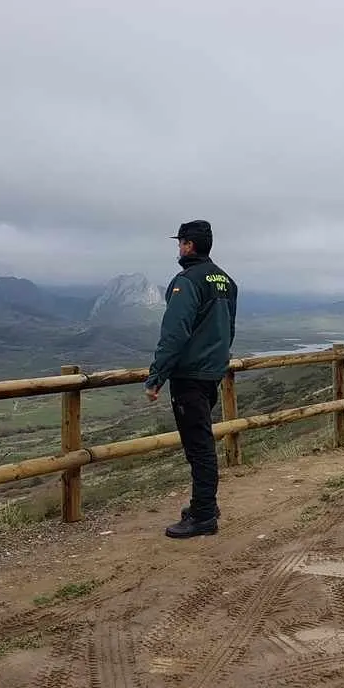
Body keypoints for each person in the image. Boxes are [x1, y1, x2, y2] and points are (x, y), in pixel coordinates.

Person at [143, 219, 238, 539]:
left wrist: (156, 376)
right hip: (211, 373)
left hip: (190, 375)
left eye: (180, 242)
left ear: (188, 245)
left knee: (198, 446)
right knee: (202, 441)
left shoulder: (186, 281)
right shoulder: (225, 280)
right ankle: (203, 505)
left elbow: (174, 332)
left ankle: (203, 514)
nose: (178, 248)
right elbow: (229, 329)